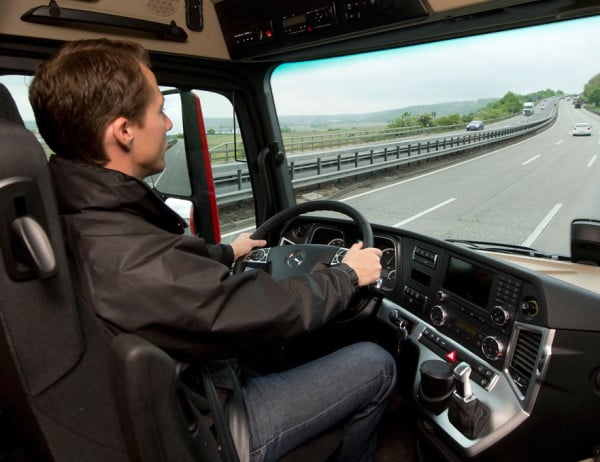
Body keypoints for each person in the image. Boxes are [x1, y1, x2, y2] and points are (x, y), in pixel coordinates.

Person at [29, 38, 396, 462]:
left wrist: (227, 253)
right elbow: (268, 311)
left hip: (179, 397)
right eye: (159, 110)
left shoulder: (77, 214)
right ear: (124, 131)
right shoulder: (121, 255)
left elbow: (168, 271)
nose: (168, 123)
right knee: (376, 364)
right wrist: (347, 275)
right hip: (210, 429)